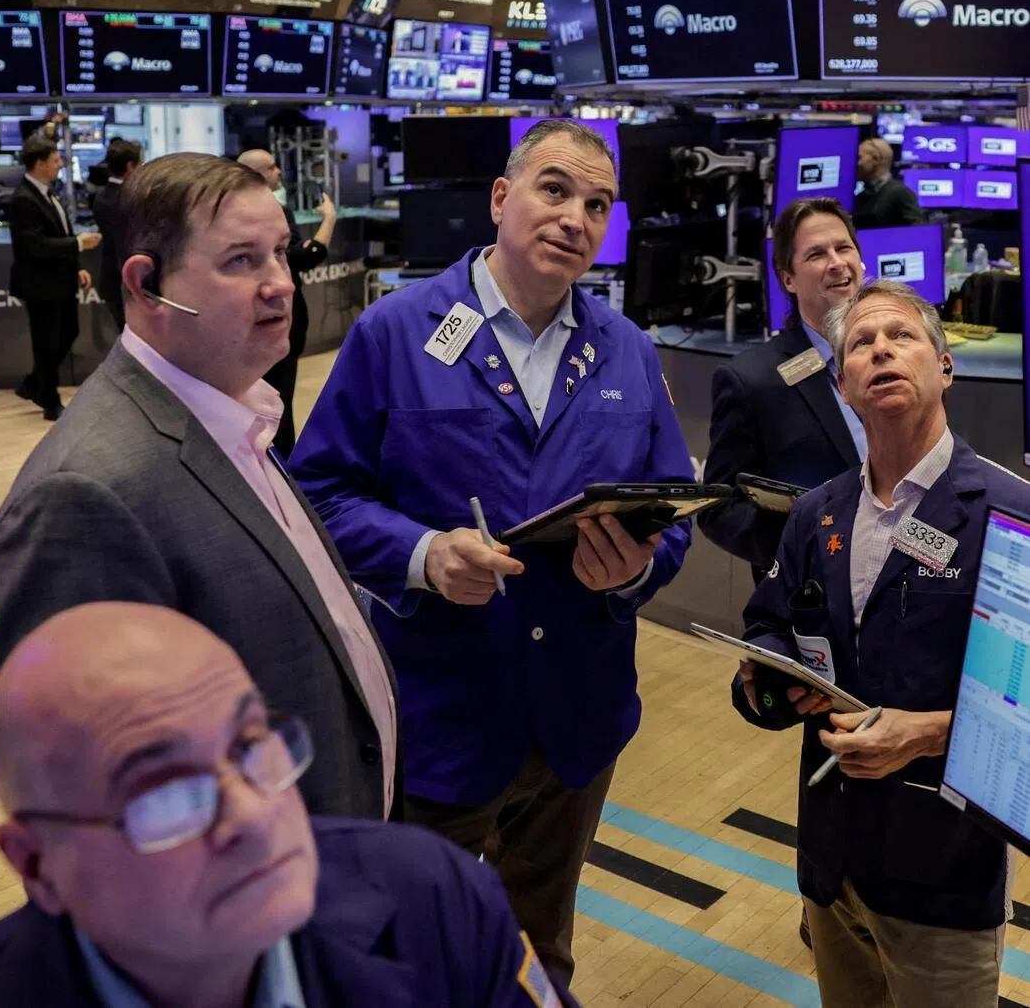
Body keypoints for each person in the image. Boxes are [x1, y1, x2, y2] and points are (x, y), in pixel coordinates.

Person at [290, 119, 694, 981]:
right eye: (555, 190)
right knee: (415, 960)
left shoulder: (625, 349)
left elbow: (675, 512)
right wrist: (424, 554)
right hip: (441, 717)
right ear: (502, 198)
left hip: (578, 726)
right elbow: (317, 494)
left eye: (597, 204)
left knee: (541, 951)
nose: (575, 219)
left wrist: (638, 571)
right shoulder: (397, 333)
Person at [0, 152, 396, 823]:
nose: (282, 284)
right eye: (241, 261)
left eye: (281, 253)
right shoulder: (83, 498)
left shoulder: (239, 417)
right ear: (146, 284)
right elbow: (96, 811)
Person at [0, 602, 579, 1008]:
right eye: (169, 795)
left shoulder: (437, 898)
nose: (256, 818)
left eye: (252, 746)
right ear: (36, 867)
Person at [732, 279, 1029, 1008]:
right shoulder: (817, 513)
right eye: (860, 344)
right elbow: (768, 624)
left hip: (944, 881)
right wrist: (766, 684)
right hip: (833, 873)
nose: (880, 351)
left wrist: (928, 734)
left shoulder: (1009, 514)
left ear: (945, 365)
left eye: (901, 336)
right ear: (842, 386)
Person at [700, 198, 868, 582]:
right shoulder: (752, 381)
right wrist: (807, 546)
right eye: (816, 254)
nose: (837, 262)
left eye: (844, 248)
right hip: (811, 600)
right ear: (788, 278)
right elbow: (718, 508)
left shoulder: (894, 358)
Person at [236, 148, 337, 457]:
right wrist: (329, 220)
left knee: (275, 401)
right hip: (269, 321)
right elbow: (305, 257)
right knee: (273, 401)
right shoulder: (259, 215)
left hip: (275, 321)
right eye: (271, 167)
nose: (278, 171)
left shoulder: (268, 210)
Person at [9, 134, 101, 421]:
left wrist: (75, 266)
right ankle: (49, 400)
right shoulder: (24, 199)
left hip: (59, 280)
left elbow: (56, 235)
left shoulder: (48, 193)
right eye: (55, 160)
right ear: (39, 164)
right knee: (46, 343)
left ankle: (35, 383)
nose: (60, 164)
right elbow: (34, 246)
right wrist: (78, 244)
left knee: (68, 332)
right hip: (40, 284)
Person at [92, 139, 143, 332]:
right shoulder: (132, 198)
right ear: (131, 166)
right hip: (133, 282)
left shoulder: (101, 197)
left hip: (111, 280)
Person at [852, 138, 924, 229]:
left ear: (876, 159)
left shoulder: (901, 194)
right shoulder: (860, 198)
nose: (855, 163)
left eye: (859, 158)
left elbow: (919, 232)